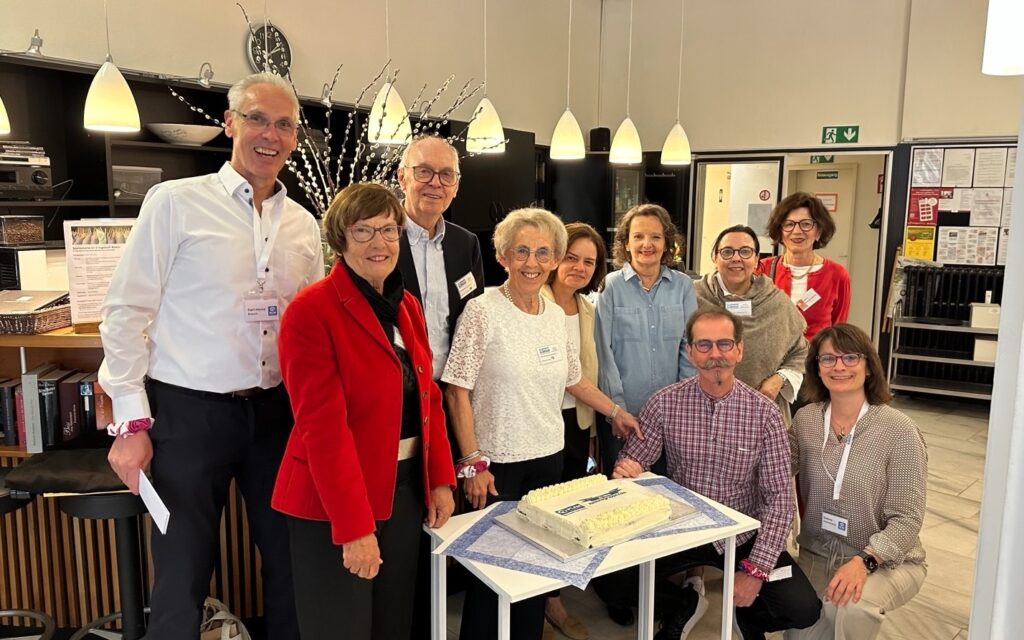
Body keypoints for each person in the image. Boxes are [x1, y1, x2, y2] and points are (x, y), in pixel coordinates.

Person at [100, 72, 323, 639]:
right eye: (256, 118)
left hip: (276, 415)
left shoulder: (304, 225)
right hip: (189, 413)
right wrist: (131, 422)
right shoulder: (176, 203)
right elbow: (126, 310)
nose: (270, 134)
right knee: (182, 571)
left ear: (295, 138)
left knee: (291, 562)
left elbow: (311, 327)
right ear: (229, 123)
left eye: (284, 124)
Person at [442, 208, 639, 640]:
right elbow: (457, 390)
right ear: (503, 257)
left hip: (548, 462)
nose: (532, 262)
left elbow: (574, 379)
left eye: (543, 253)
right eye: (522, 251)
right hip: (496, 466)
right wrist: (473, 462)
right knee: (492, 576)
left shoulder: (552, 315)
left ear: (554, 259)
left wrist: (615, 412)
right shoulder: (482, 311)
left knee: (536, 571)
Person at [271, 183, 456, 640]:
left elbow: (428, 396)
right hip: (333, 504)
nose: (380, 242)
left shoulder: (405, 304)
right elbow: (323, 430)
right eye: (364, 231)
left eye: (389, 230)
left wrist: (439, 478)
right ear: (340, 238)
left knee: (393, 623)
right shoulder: (311, 311)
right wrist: (354, 528)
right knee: (341, 628)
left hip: (403, 491)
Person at [612, 308, 821, 640]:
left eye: (724, 344)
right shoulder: (664, 403)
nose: (715, 355)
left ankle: (748, 618)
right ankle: (684, 604)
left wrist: (756, 571)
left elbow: (780, 500)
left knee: (802, 608)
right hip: (682, 529)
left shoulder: (765, 414)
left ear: (739, 350)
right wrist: (629, 469)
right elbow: (634, 460)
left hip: (743, 534)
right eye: (704, 345)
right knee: (611, 581)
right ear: (690, 352)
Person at [395, 135, 485, 637]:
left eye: (445, 174)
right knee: (403, 520)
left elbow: (472, 322)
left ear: (456, 185)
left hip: (449, 398)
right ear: (402, 177)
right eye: (424, 172)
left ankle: (432, 620)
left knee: (443, 516)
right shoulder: (381, 235)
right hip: (398, 400)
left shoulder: (465, 244)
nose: (434, 182)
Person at [786, 324, 927, 640]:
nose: (839, 367)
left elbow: (907, 520)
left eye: (850, 357)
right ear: (817, 368)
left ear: (869, 366)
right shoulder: (806, 420)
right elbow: (775, 469)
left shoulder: (899, 431)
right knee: (800, 633)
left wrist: (865, 562)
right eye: (828, 359)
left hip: (884, 559)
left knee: (853, 608)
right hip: (817, 553)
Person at [539, 222, 608, 640]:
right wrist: (615, 411)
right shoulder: (535, 299)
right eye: (571, 257)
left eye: (589, 262)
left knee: (566, 508)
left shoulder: (587, 308)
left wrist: (595, 427)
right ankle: (541, 602)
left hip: (577, 422)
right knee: (539, 512)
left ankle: (553, 596)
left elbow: (589, 370)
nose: (579, 267)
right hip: (539, 421)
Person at [595, 204, 697, 476]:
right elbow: (604, 353)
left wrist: (682, 405)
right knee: (624, 489)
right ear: (626, 243)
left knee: (670, 488)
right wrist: (617, 410)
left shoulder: (683, 286)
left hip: (672, 416)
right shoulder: (611, 286)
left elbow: (689, 348)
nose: (646, 244)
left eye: (655, 237)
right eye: (638, 236)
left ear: (667, 243)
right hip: (623, 415)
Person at [695, 224, 808, 422]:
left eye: (745, 252)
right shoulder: (693, 297)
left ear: (756, 260)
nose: (736, 258)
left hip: (761, 411)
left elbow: (800, 352)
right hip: (701, 411)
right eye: (727, 251)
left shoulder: (777, 303)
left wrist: (779, 380)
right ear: (715, 257)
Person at [759, 192, 850, 341]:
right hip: (772, 353)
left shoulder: (837, 274)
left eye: (806, 224)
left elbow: (838, 329)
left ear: (819, 232)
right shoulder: (763, 269)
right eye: (789, 224)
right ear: (780, 231)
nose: (797, 231)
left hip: (814, 354)